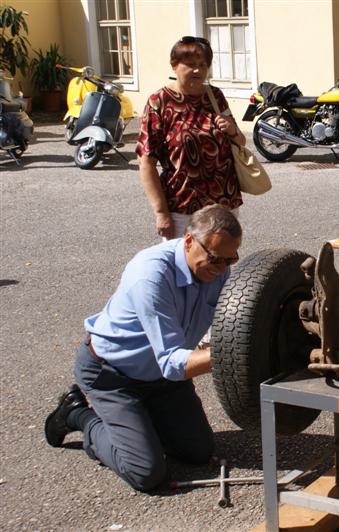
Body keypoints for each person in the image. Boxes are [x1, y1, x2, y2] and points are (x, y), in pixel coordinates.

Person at [44, 205, 242, 492]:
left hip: (161, 380)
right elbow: (173, 363)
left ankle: (139, 423)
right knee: (146, 472)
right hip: (113, 376)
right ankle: (78, 415)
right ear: (188, 241)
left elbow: (235, 322)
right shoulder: (151, 274)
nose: (223, 269)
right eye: (215, 259)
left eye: (230, 259)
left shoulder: (218, 270)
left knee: (198, 453)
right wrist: (230, 352)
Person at [137, 36, 245, 240]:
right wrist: (161, 213)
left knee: (220, 264)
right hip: (182, 207)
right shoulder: (159, 102)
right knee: (182, 266)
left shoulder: (214, 96)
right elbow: (146, 162)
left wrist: (231, 130)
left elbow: (240, 142)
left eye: (203, 65)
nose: (198, 70)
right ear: (174, 66)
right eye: (191, 65)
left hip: (223, 203)